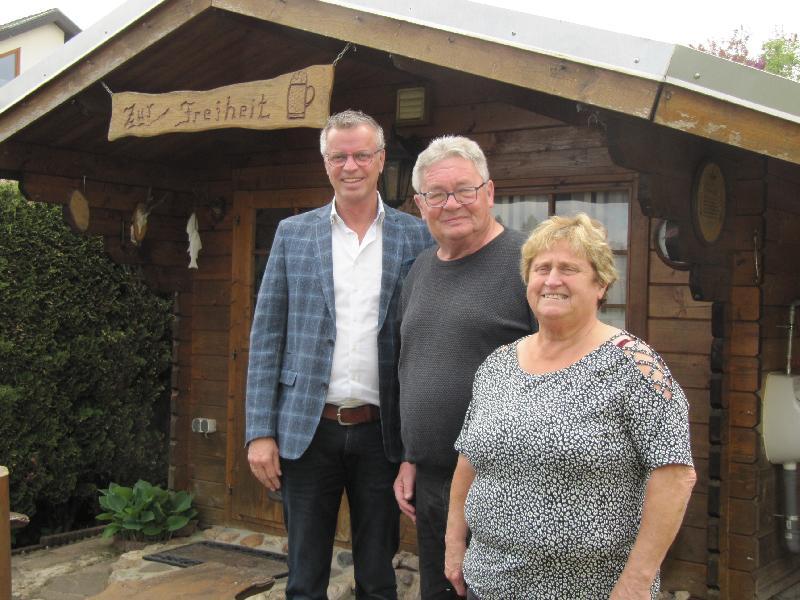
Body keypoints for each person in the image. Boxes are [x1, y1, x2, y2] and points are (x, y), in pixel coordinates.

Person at [445, 213, 697, 599]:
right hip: (489, 583)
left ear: (602, 284)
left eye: (569, 269)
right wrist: (453, 544)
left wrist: (636, 582)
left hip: (591, 589)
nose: (552, 280)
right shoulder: (497, 365)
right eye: (541, 268)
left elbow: (676, 475)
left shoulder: (635, 365)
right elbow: (469, 460)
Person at [245, 109, 432, 600]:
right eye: (338, 156)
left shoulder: (417, 237)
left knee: (378, 576)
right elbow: (267, 337)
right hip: (307, 432)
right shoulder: (293, 235)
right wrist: (259, 432)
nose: (351, 166)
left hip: (381, 434)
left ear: (381, 159)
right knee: (304, 580)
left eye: (361, 155)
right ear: (325, 163)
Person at [394, 136, 536, 599]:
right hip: (434, 483)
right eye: (437, 195)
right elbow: (409, 365)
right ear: (421, 205)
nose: (451, 204)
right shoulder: (418, 270)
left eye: (464, 190)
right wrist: (411, 456)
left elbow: (568, 365)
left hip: (505, 482)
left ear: (489, 193)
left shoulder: (529, 265)